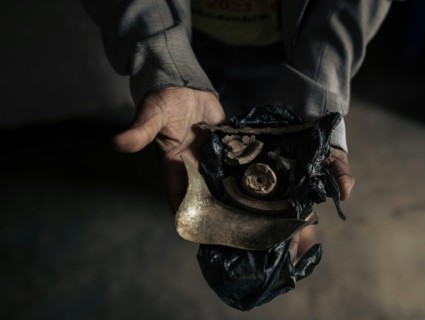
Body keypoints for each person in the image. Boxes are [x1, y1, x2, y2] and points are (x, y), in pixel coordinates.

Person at [81, 0, 394, 258]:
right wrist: (165, 60)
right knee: (208, 132)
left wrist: (317, 94)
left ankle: (288, 206)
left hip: (287, 39)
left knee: (272, 118)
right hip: (185, 30)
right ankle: (220, 193)